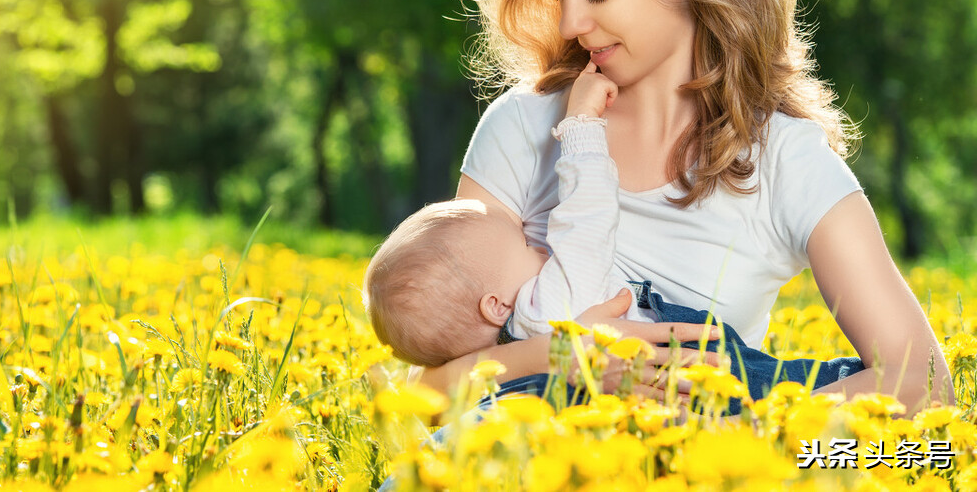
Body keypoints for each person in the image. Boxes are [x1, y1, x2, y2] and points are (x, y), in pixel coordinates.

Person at [420, 0, 952, 414]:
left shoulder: (785, 162)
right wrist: (563, 356)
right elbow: (427, 392)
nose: (570, 23)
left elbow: (925, 386)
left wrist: (745, 442)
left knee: (912, 452)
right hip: (530, 447)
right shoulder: (523, 127)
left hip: (704, 447)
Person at [365, 61, 863, 408]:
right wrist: (582, 128)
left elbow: (432, 389)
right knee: (793, 387)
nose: (537, 241)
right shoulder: (548, 305)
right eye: (522, 243)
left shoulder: (500, 359)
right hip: (694, 381)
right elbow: (587, 220)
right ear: (495, 305)